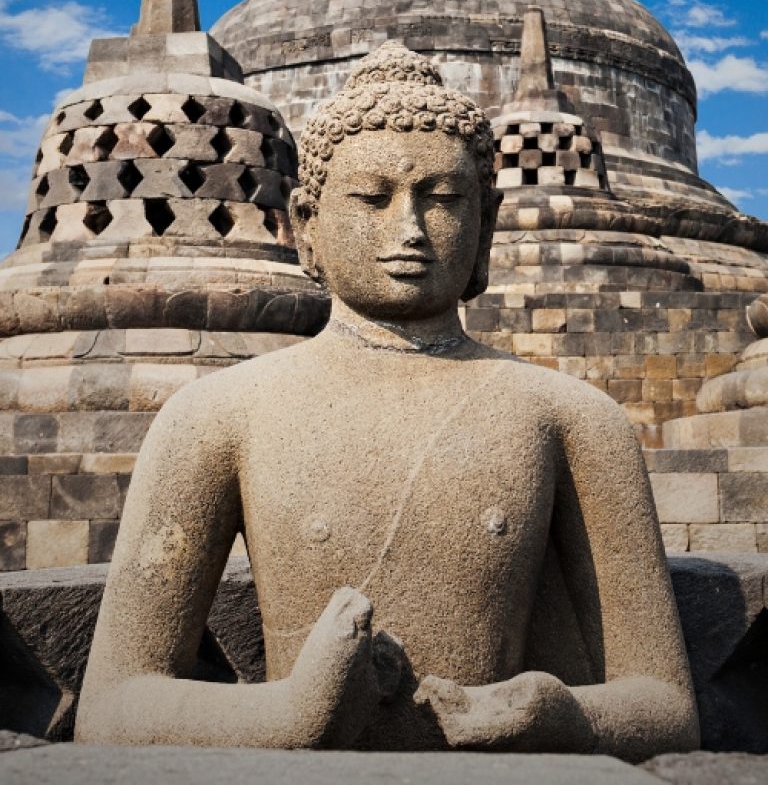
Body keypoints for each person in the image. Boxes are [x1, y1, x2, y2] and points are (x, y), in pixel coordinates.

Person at [76, 43, 699, 758]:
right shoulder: (216, 417)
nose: (408, 229)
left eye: (442, 200)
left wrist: (554, 713)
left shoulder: (571, 418)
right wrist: (289, 716)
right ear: (305, 224)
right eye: (371, 199)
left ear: (487, 223)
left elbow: (665, 705)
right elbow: (115, 702)